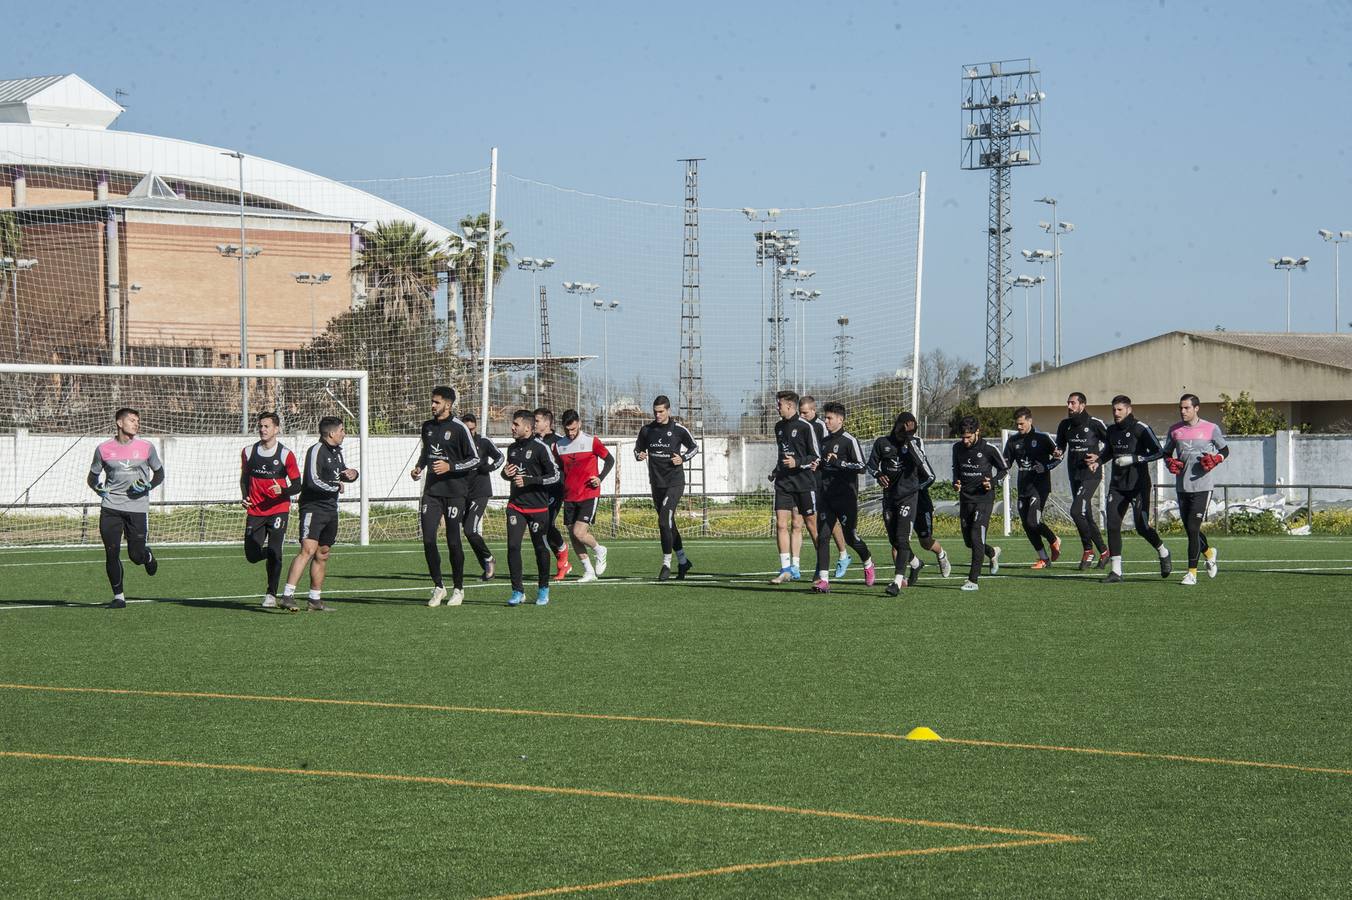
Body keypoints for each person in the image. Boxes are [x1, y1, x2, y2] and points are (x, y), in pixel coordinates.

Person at [86, 408, 164, 608]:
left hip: (137, 508)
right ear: (119, 423)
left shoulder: (147, 447)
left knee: (135, 556)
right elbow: (92, 478)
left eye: (138, 420)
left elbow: (159, 474)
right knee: (111, 552)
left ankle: (146, 556)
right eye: (132, 420)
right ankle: (119, 597)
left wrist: (149, 485)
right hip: (111, 507)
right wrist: (98, 488)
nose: (136, 424)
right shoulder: (103, 449)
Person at [411, 386, 480, 608]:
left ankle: (458, 588)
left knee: (453, 540)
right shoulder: (427, 426)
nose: (432, 405)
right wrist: (419, 467)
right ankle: (439, 586)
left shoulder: (460, 428)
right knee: (428, 539)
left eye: (436, 402)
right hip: (431, 492)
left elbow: (474, 459)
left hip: (454, 493)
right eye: (432, 401)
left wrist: (450, 466)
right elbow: (426, 451)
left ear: (448, 405)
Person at [281, 416, 358, 612]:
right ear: (332, 433)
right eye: (342, 430)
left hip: (331, 509)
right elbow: (312, 480)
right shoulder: (316, 450)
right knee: (307, 550)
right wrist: (335, 487)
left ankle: (314, 599)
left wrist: (352, 474)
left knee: (323, 553)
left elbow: (340, 474)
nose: (344, 433)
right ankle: (288, 595)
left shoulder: (337, 452)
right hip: (313, 508)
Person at [1158, 394, 1229, 585]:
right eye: (1181, 408)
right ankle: (1209, 552)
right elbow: (1165, 453)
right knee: (1191, 531)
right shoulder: (1175, 430)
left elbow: (1225, 450)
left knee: (1192, 527)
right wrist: (1169, 462)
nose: (1183, 411)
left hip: (1203, 486)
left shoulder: (1211, 428)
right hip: (1182, 487)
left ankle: (1192, 573)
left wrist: (1216, 459)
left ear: (1196, 408)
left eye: (1187, 408)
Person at [1102, 395, 1171, 583]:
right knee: (1112, 524)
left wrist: (1135, 458)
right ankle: (1116, 572)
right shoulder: (1111, 430)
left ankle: (1163, 552)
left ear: (1129, 410)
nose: (1116, 413)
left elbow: (1159, 452)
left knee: (1141, 526)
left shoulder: (1140, 428)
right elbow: (1108, 452)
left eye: (1119, 410)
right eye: (1114, 410)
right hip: (1117, 486)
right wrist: (1097, 460)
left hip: (1138, 485)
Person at [240, 412, 302, 608]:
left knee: (275, 552)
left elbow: (298, 484)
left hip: (278, 509)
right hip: (256, 510)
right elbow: (245, 478)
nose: (262, 429)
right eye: (260, 426)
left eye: (266, 426)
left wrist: (282, 489)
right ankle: (273, 551)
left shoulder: (285, 454)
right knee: (251, 555)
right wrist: (245, 497)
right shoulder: (248, 452)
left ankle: (271, 594)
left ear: (276, 429)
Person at [634, 395, 699, 580]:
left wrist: (683, 458)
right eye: (655, 412)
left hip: (674, 483)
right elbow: (638, 449)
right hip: (656, 484)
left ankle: (666, 564)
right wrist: (639, 455)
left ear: (668, 411)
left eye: (661, 411)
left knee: (664, 521)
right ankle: (684, 562)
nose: (658, 415)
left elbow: (694, 447)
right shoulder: (647, 430)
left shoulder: (678, 429)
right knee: (669, 524)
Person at [502, 409, 561, 606]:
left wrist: (530, 480)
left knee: (540, 548)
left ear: (527, 428)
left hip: (537, 509)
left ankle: (543, 589)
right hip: (515, 506)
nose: (512, 427)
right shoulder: (512, 449)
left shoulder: (541, 448)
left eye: (516, 424)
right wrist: (505, 473)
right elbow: (509, 474)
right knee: (512, 546)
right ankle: (517, 591)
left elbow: (555, 475)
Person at [867, 412, 929, 596]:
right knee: (893, 540)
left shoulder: (914, 444)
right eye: (903, 432)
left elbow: (923, 465)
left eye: (908, 433)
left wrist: (909, 441)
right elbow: (870, 465)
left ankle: (896, 582)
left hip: (909, 496)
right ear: (897, 426)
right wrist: (878, 475)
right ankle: (916, 563)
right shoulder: (882, 443)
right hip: (889, 497)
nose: (904, 436)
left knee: (902, 539)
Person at [817, 402, 876, 589]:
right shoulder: (824, 442)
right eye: (825, 417)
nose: (826, 421)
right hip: (826, 497)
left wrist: (840, 463)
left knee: (850, 538)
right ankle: (824, 580)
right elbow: (824, 465)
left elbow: (861, 467)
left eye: (829, 418)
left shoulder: (849, 440)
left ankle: (867, 562)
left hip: (846, 498)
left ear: (840, 420)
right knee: (823, 536)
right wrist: (817, 466)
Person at [767, 391, 823, 588]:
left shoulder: (806, 427)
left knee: (811, 525)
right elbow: (782, 454)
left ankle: (821, 567)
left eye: (779, 404)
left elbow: (816, 456)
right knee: (781, 524)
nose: (777, 408)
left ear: (790, 405)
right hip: (783, 483)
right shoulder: (778, 427)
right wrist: (776, 470)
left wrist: (797, 462)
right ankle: (785, 570)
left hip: (804, 483)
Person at [951, 416, 1008, 592]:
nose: (965, 440)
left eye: (968, 437)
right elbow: (956, 470)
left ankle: (973, 580)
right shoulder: (957, 448)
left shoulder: (989, 449)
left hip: (983, 499)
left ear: (977, 432)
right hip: (965, 499)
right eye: (963, 437)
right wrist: (956, 482)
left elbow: (1004, 469)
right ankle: (992, 552)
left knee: (976, 536)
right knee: (969, 542)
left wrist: (993, 482)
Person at [557, 409, 614, 583]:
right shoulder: (558, 446)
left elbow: (609, 460)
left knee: (579, 532)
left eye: (573, 429)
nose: (571, 433)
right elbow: (560, 469)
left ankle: (599, 550)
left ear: (579, 423)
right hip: (569, 496)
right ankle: (589, 571)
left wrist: (600, 478)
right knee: (573, 536)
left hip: (589, 494)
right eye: (567, 430)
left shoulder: (592, 442)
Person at [1054, 392, 1110, 569]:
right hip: (1074, 473)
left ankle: (1088, 550)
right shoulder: (1064, 425)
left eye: (1073, 403)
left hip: (1091, 474)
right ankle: (1104, 551)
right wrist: (1058, 451)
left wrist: (1098, 456)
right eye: (1068, 403)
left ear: (1082, 405)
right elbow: (1060, 446)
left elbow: (1112, 444)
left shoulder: (1094, 423)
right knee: (1085, 515)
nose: (1069, 407)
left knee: (1076, 511)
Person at [1002, 407, 1062, 569]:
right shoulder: (1013, 441)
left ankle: (1053, 539)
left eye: (1022, 423)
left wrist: (1046, 467)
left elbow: (1059, 457)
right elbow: (1006, 463)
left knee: (1033, 521)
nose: (1019, 427)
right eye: (1017, 424)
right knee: (1026, 524)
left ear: (1030, 421)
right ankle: (1044, 558)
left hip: (1040, 486)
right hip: (1023, 487)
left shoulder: (1042, 438)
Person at [800, 396, 851, 578]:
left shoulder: (821, 426)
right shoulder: (799, 426)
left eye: (805, 412)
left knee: (823, 521)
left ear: (813, 411)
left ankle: (841, 555)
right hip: (804, 477)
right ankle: (796, 566)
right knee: (804, 521)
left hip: (822, 479)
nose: (802, 416)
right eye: (800, 413)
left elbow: (825, 452)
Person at [897, 413, 951, 580]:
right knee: (898, 541)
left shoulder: (916, 442)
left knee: (925, 541)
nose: (908, 430)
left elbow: (927, 472)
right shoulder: (889, 443)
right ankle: (900, 578)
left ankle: (941, 554)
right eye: (905, 425)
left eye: (911, 426)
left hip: (919, 498)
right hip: (900, 498)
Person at [462, 413, 503, 581]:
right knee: (467, 531)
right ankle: (487, 564)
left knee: (470, 529)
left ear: (476, 428)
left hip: (480, 492)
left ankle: (488, 559)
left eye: (472, 429)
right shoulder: (458, 443)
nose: (470, 432)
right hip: (462, 492)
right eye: (466, 429)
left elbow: (500, 457)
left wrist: (490, 468)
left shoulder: (484, 442)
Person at [533, 407, 572, 580]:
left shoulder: (560, 442)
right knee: (540, 527)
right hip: (538, 491)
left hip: (555, 489)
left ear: (547, 423)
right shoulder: (532, 441)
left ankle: (563, 553)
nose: (534, 424)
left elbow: (568, 466)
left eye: (537, 421)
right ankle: (563, 562)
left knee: (547, 523)